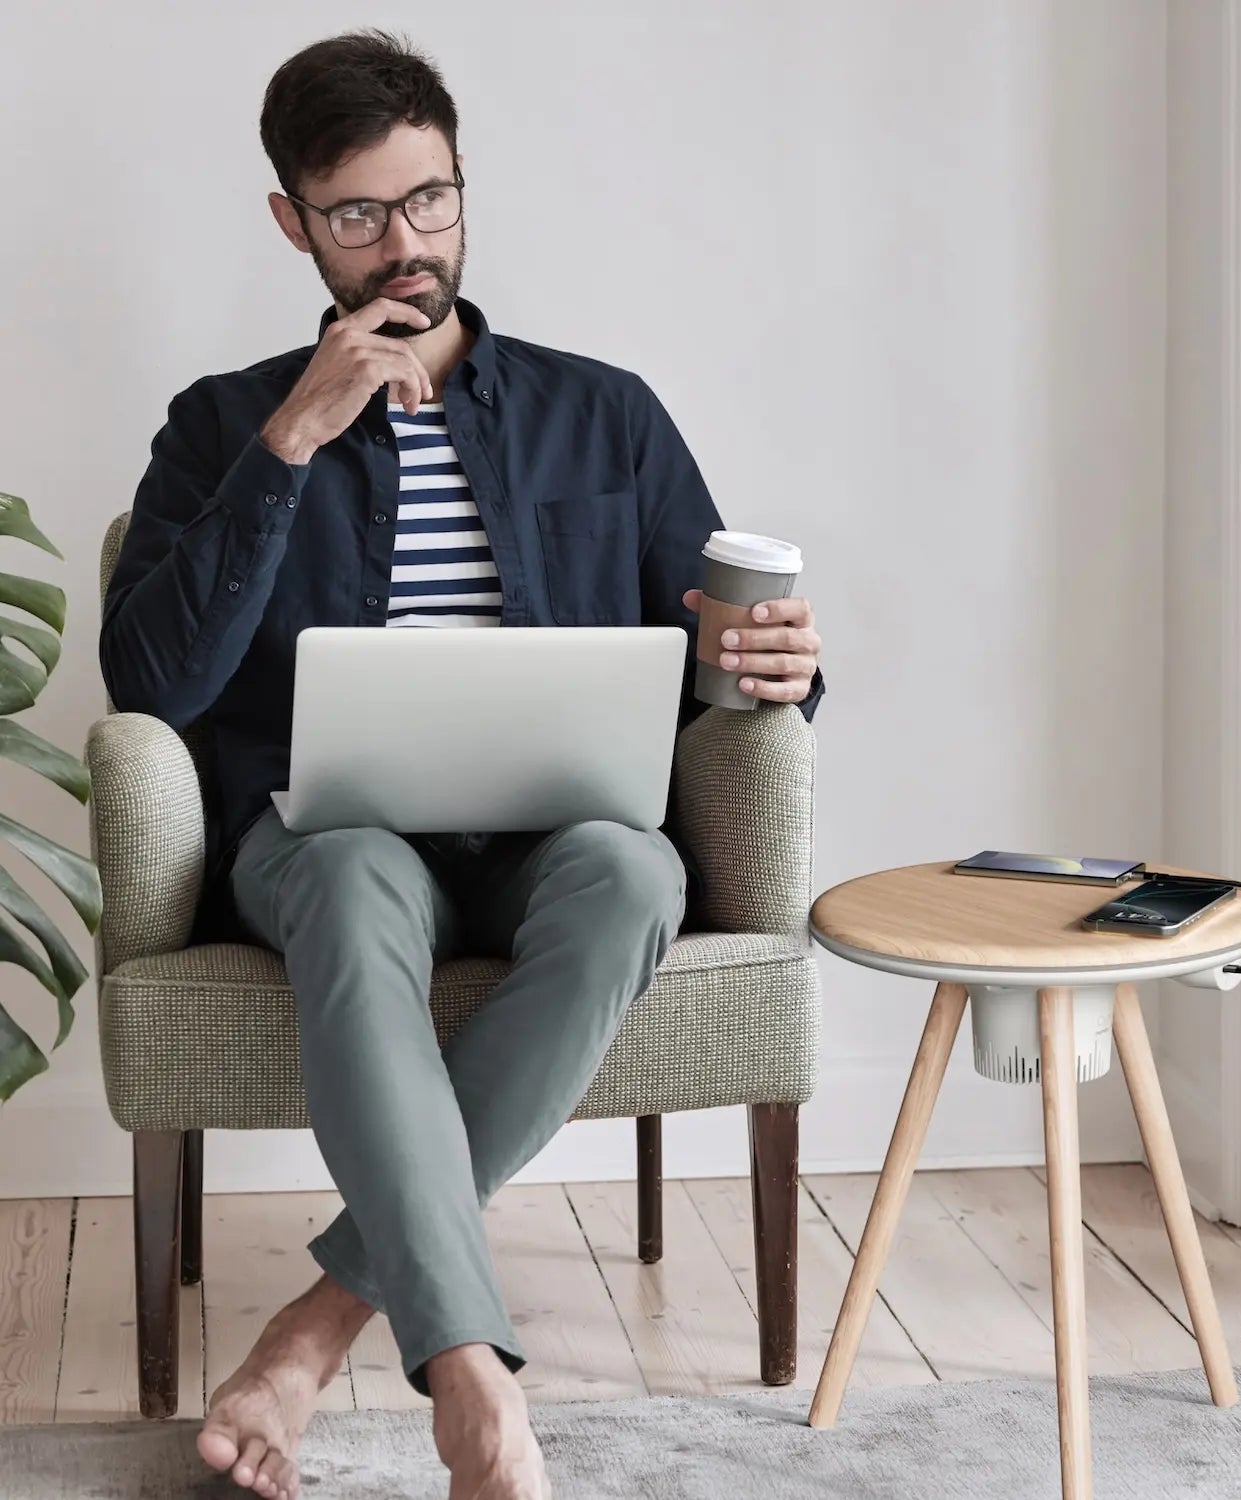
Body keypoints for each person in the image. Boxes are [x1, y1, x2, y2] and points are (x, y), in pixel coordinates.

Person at [100, 29, 824, 1500]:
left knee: (635, 874)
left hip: (552, 835)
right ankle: (477, 1390)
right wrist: (297, 436)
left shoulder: (601, 410)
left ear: (462, 191)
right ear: (292, 222)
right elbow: (150, 683)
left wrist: (781, 670)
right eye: (357, 215)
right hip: (327, 838)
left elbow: (707, 643)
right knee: (356, 874)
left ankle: (316, 1329)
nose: (402, 247)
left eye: (429, 202)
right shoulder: (221, 424)